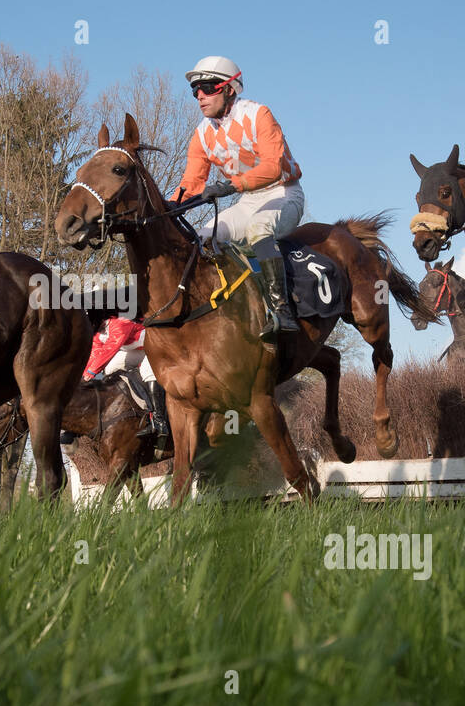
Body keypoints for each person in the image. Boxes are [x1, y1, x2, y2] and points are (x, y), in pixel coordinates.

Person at [174, 55, 306, 340]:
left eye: (207, 87)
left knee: (259, 228)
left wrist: (230, 186)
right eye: (195, 90)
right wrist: (170, 207)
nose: (199, 96)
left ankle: (281, 311)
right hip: (247, 202)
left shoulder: (259, 114)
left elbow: (273, 166)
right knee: (202, 239)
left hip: (283, 194)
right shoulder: (201, 134)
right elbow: (192, 183)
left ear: (229, 89)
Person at [83, 316, 170, 450]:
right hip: (138, 350)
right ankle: (136, 401)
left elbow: (111, 348)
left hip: (155, 345)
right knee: (110, 367)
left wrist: (90, 373)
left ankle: (159, 421)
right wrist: (83, 377)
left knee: (147, 370)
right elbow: (95, 354)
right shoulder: (98, 333)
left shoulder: (119, 323)